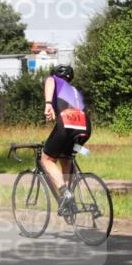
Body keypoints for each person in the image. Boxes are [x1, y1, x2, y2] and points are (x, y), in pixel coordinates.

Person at [41, 65, 91, 215]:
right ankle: (69, 201)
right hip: (86, 127)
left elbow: (49, 81)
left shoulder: (54, 80)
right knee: (66, 158)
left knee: (46, 159)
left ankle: (65, 192)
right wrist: (83, 150)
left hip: (68, 123)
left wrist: (48, 104)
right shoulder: (75, 90)